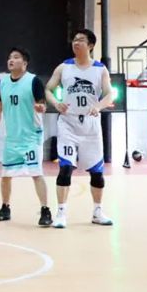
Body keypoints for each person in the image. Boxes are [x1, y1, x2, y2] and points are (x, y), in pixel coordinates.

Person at [45, 29, 115, 229]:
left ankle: (97, 211)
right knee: (65, 167)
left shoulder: (100, 69)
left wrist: (98, 106)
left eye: (81, 40)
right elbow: (48, 89)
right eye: (74, 40)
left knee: (97, 172)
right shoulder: (64, 67)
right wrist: (56, 103)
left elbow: (110, 94)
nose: (76, 43)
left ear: (91, 45)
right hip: (68, 123)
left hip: (91, 125)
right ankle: (61, 213)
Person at [0, 48, 51, 226]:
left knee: (36, 173)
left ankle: (45, 210)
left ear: (25, 63)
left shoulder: (33, 81)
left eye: (16, 57)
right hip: (12, 138)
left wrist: (41, 108)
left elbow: (42, 105)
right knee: (6, 174)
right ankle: (5, 208)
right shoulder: (2, 83)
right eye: (10, 57)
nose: (11, 60)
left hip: (31, 137)